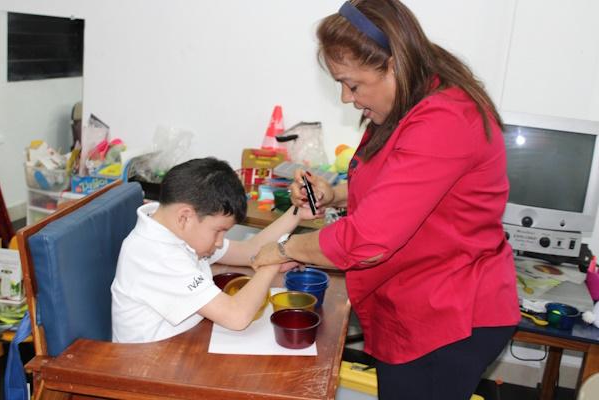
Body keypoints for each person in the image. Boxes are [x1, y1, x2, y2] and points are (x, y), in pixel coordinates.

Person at [251, 1, 520, 399]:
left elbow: (366, 239)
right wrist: (334, 194)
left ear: (393, 66)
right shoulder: (408, 101)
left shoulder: (445, 120)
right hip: (415, 301)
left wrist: (284, 248)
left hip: (449, 314)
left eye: (352, 84)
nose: (346, 97)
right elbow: (399, 187)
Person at [111, 157, 308, 343]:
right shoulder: (155, 254)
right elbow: (236, 316)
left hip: (184, 343)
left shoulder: (175, 229)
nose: (220, 242)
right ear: (185, 217)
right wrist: (272, 263)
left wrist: (298, 212)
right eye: (218, 231)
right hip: (148, 362)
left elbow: (251, 249)